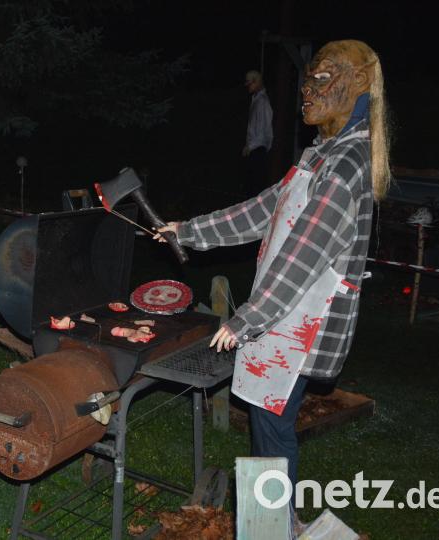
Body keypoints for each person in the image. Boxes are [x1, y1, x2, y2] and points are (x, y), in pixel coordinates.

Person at [157, 40, 390, 519]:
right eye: (308, 77)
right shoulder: (320, 155)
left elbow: (304, 255)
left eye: (323, 76)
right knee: (269, 428)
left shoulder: (346, 164)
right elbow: (259, 212)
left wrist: (247, 320)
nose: (307, 87)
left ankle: (269, 526)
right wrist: (188, 231)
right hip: (284, 320)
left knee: (272, 433)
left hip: (299, 325)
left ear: (360, 84)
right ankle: (276, 523)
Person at [242, 70, 273, 196]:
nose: (247, 86)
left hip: (258, 150)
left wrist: (250, 146)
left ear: (256, 82)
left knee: (255, 189)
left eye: (249, 83)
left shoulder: (262, 102)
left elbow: (262, 129)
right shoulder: (256, 100)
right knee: (251, 187)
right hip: (255, 149)